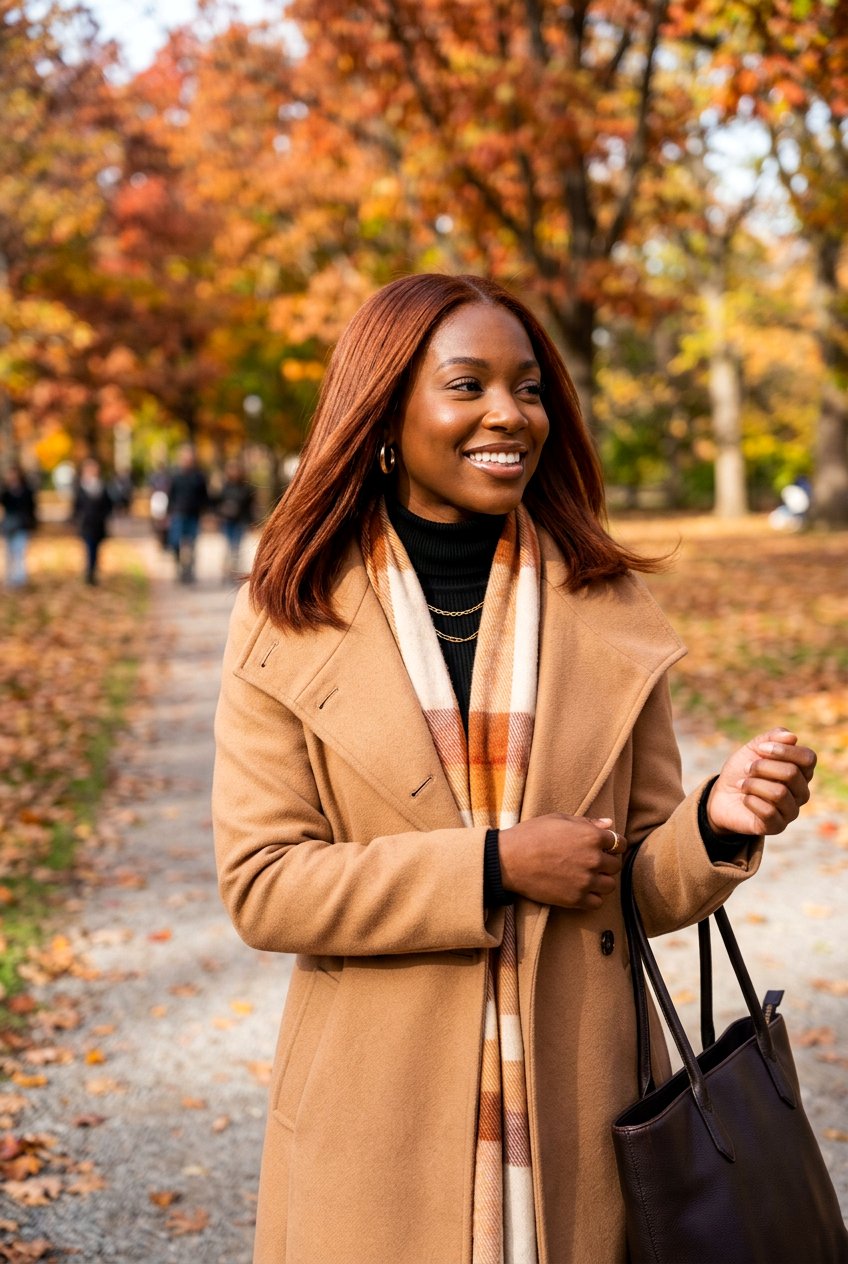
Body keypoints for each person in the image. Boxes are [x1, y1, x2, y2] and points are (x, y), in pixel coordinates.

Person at [212, 275, 817, 1264]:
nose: (508, 413)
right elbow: (262, 884)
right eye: (467, 384)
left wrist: (717, 818)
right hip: (374, 1124)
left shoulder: (603, 604)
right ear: (384, 408)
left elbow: (636, 883)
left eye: (529, 387)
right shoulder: (289, 611)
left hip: (583, 1107)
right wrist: (491, 864)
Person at [166, 444, 208, 583]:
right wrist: (168, 513)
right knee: (175, 542)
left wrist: (206, 513)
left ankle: (189, 570)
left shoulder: (199, 477)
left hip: (193, 515)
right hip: (178, 514)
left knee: (191, 544)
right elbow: (171, 495)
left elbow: (204, 497)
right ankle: (179, 565)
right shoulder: (175, 476)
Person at [72, 458, 113, 585]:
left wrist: (104, 516)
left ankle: (93, 569)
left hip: (98, 524)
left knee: (96, 548)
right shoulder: (81, 487)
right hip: (86, 524)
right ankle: (89, 571)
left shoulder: (102, 487)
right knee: (89, 547)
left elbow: (108, 505)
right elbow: (76, 506)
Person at [214, 457, 256, 580]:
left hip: (240, 521)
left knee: (236, 547)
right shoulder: (224, 487)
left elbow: (250, 507)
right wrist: (221, 512)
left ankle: (234, 571)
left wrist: (251, 522)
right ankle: (226, 571)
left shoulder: (246, 488)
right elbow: (217, 503)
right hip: (227, 521)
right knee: (228, 546)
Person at [1, 464, 37, 588]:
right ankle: (10, 578)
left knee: (20, 552)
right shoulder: (5, 491)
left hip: (22, 525)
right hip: (9, 526)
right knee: (9, 553)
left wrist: (32, 525)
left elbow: (32, 509)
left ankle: (20, 578)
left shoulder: (26, 491)